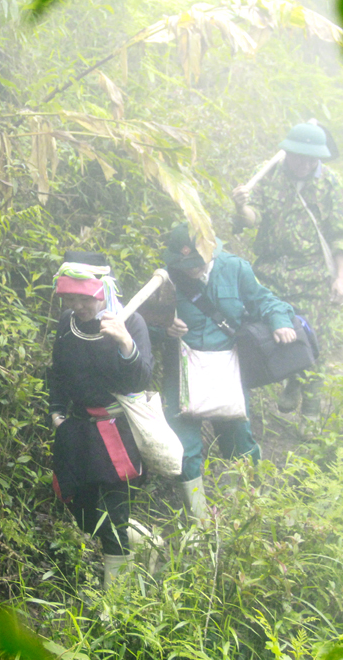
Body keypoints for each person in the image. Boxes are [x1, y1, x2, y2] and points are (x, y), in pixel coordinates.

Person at [158, 225, 297, 517]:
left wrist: (280, 321)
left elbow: (264, 300)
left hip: (227, 369)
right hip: (182, 370)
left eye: (198, 262)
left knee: (239, 440)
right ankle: (198, 519)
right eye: (186, 265)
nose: (193, 269)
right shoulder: (165, 278)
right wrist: (165, 328)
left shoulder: (235, 268)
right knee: (185, 447)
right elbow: (142, 327)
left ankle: (245, 511)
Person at [231, 122, 343, 420]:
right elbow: (252, 219)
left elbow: (341, 233)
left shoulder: (330, 183)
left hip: (313, 276)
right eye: (300, 157)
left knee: (314, 340)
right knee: (273, 333)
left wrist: (342, 276)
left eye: (313, 159)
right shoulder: (269, 174)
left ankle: (311, 411)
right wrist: (241, 207)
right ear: (287, 152)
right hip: (271, 274)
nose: (306, 164)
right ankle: (287, 381)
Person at [47, 252, 154, 586]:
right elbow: (57, 373)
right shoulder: (68, 323)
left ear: (101, 292)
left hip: (115, 433)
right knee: (80, 509)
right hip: (76, 430)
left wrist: (124, 341)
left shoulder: (131, 322)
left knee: (113, 514)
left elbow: (140, 380)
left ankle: (115, 602)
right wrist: (56, 413)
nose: (79, 306)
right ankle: (147, 544)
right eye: (71, 299)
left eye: (84, 299)